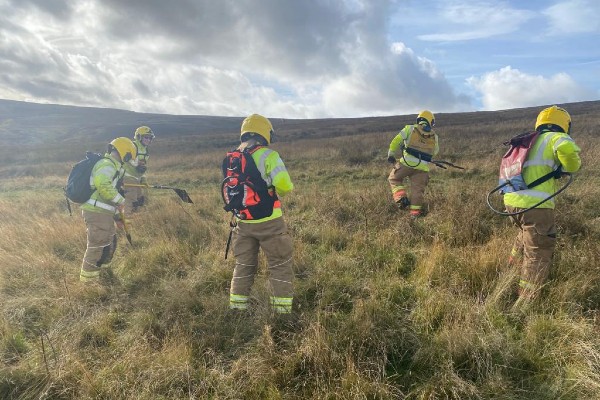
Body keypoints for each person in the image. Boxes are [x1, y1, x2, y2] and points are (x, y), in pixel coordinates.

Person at [504, 105, 581, 300]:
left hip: (512, 201)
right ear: (564, 124)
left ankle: (511, 268)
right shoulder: (555, 137)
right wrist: (569, 167)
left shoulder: (528, 141)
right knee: (539, 248)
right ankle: (527, 297)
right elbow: (568, 150)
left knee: (525, 234)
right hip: (537, 205)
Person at [227, 114, 295, 315]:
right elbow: (284, 185)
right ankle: (281, 313)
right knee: (280, 264)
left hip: (243, 221)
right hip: (270, 222)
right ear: (265, 133)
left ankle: (237, 309)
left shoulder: (233, 157)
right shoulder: (269, 156)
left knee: (243, 265)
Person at [80, 137, 137, 283]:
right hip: (96, 212)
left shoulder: (115, 167)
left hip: (104, 213)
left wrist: (118, 216)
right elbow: (102, 184)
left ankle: (104, 276)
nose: (129, 159)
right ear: (125, 152)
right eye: (130, 156)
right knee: (98, 246)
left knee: (109, 242)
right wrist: (121, 200)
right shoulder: (107, 165)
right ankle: (88, 285)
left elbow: (109, 195)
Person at [387, 110, 439, 218]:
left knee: (394, 178)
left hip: (406, 163)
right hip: (423, 168)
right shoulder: (434, 136)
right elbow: (435, 152)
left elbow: (396, 140)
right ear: (430, 121)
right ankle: (414, 216)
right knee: (417, 192)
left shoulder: (409, 129)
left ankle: (401, 199)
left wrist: (391, 153)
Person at [122, 126, 155, 213]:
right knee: (131, 197)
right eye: (146, 137)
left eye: (150, 138)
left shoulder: (145, 150)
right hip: (126, 175)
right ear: (139, 137)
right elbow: (126, 159)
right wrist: (136, 165)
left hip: (136, 178)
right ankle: (126, 218)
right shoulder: (132, 146)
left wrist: (143, 179)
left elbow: (142, 167)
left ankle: (136, 220)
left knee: (141, 199)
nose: (148, 140)